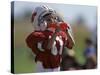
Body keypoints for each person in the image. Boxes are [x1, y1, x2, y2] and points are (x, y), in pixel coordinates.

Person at [26, 5, 74, 72]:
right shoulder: (37, 35)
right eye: (49, 19)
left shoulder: (60, 34)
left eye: (54, 18)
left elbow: (71, 45)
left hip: (57, 69)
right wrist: (56, 33)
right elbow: (48, 47)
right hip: (44, 69)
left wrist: (67, 32)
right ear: (39, 22)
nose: (53, 21)